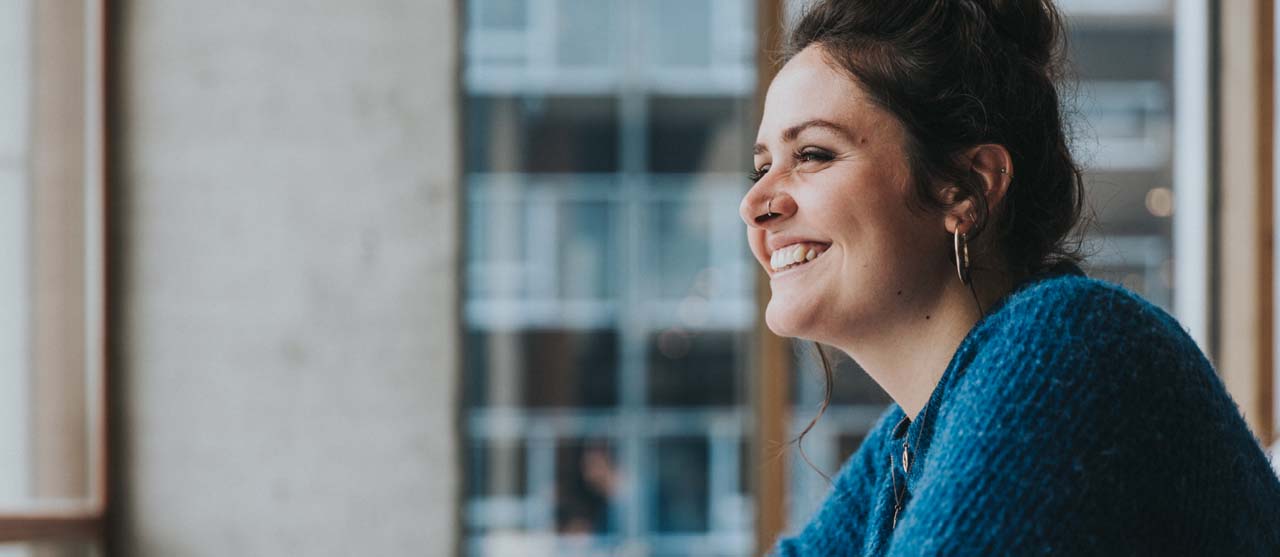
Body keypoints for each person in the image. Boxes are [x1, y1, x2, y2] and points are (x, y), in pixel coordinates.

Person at [737, 0, 1280, 555]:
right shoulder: (905, 446)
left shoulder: (1070, 349)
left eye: (812, 154)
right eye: (761, 167)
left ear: (966, 187)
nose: (755, 203)